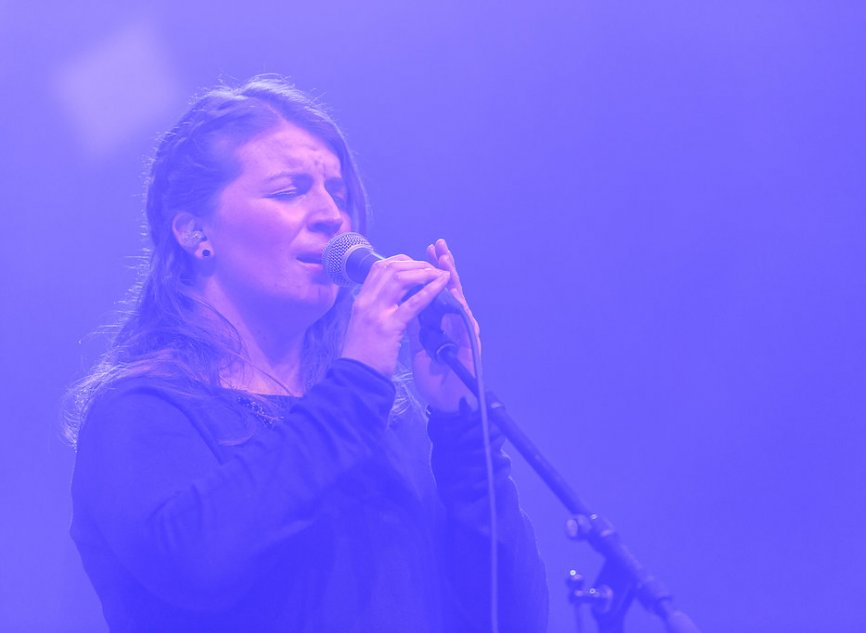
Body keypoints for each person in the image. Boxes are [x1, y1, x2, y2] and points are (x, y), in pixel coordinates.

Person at [66, 75, 548, 632]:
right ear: (195, 233)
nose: (331, 215)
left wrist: (460, 423)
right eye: (289, 191)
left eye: (337, 193)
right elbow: (197, 566)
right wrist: (357, 381)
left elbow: (511, 617)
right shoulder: (140, 411)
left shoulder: (386, 423)